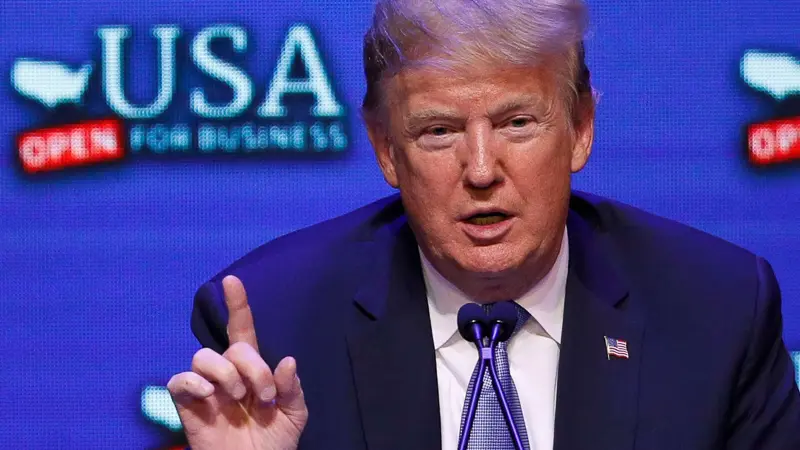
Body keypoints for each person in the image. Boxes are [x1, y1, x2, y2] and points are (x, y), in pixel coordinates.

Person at [166, 0, 800, 448]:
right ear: (387, 148)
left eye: (517, 123)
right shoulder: (274, 327)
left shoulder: (716, 314)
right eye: (438, 131)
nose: (480, 169)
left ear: (580, 129)